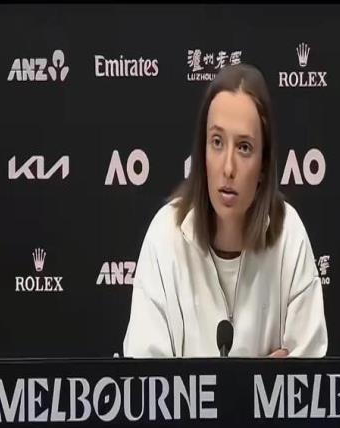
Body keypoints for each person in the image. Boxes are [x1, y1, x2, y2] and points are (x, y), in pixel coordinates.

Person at [123, 63, 327, 358]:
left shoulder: (289, 235)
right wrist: (259, 378)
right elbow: (148, 378)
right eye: (217, 142)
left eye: (244, 147)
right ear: (202, 151)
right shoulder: (164, 236)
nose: (228, 167)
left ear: (263, 164)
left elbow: (309, 374)